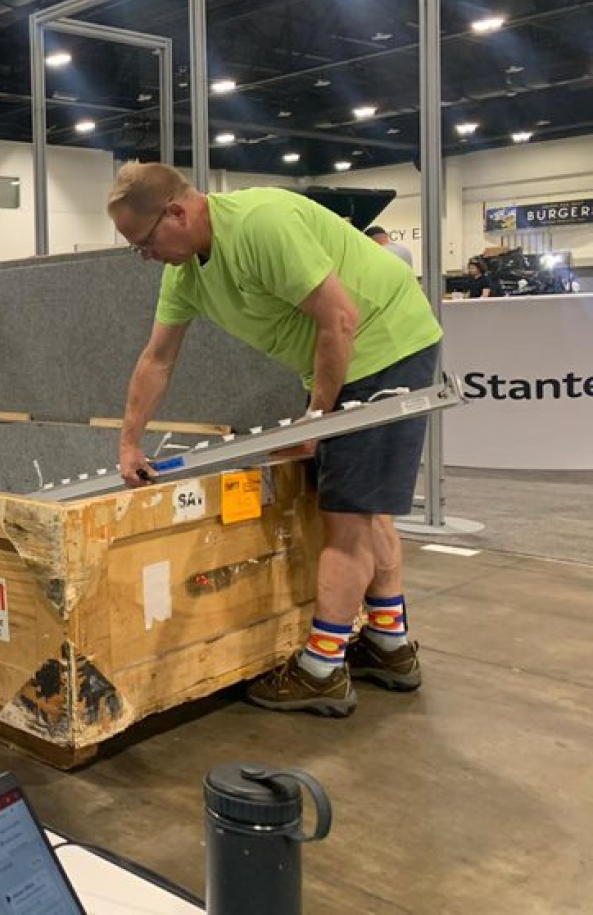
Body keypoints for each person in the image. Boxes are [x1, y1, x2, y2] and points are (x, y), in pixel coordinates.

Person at [108, 163, 443, 718]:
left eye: (143, 242)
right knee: (364, 509)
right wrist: (128, 444)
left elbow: (340, 318)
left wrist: (314, 421)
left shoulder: (261, 223)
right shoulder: (184, 273)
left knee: (346, 519)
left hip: (386, 347)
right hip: (343, 363)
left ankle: (322, 671)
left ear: (177, 212)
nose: (144, 255)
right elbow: (157, 359)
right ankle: (389, 645)